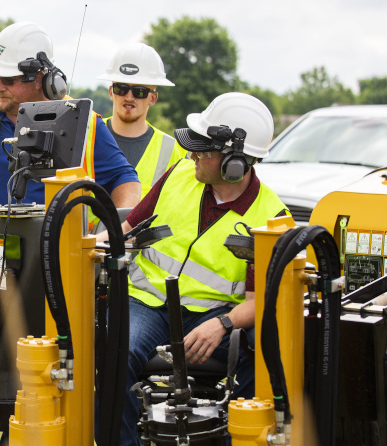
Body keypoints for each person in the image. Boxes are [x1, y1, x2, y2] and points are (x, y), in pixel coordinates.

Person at [0, 21, 141, 446]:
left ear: (40, 77)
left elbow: (127, 186)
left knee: (28, 382)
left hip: (41, 283)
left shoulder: (84, 124)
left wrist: (107, 231)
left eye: (7, 80)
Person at [117, 92, 288, 445]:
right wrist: (88, 243)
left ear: (234, 162)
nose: (191, 154)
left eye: (202, 149)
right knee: (118, 348)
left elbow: (261, 302)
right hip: (148, 304)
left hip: (212, 317)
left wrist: (222, 324)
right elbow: (129, 226)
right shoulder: (181, 172)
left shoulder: (271, 217)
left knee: (263, 357)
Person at [97, 42, 187, 198]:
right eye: (122, 88)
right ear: (111, 92)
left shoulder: (172, 151)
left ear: (153, 98)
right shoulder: (87, 135)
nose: (129, 97)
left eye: (139, 92)